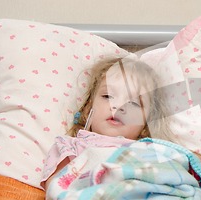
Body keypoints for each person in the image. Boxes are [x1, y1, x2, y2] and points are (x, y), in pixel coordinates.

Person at [40, 56, 174, 192]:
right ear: (88, 110)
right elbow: (56, 189)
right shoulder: (71, 147)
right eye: (108, 96)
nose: (119, 106)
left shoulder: (151, 153)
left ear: (145, 125)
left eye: (133, 103)